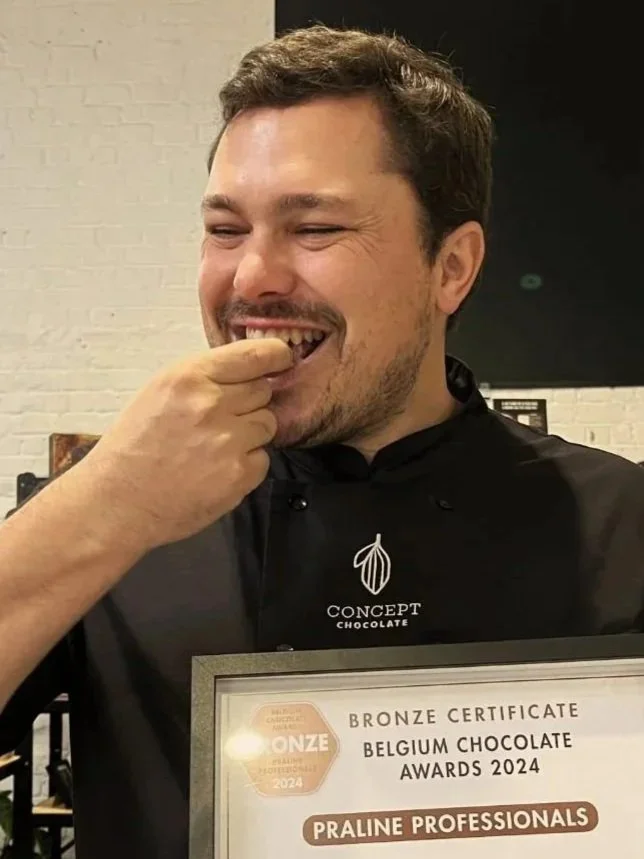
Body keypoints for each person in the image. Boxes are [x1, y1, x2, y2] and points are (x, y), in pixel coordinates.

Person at [1, 24, 643, 859]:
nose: (251, 277)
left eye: (315, 229)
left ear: (451, 267)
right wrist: (103, 503)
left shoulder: (620, 523)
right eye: (226, 229)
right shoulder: (115, 517)